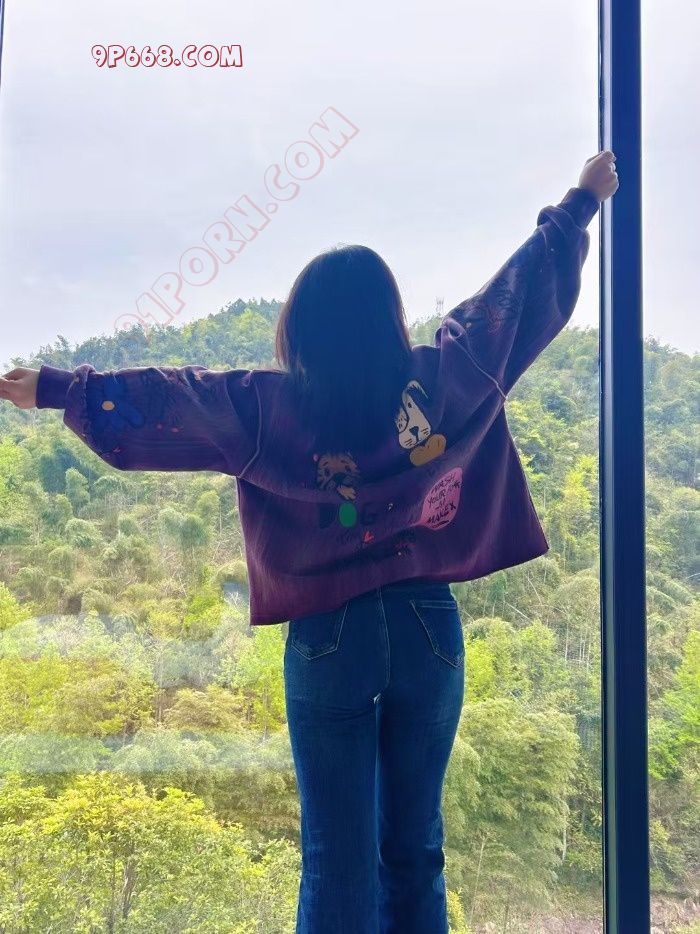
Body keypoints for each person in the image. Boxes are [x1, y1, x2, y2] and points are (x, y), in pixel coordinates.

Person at [0, 150, 618, 933]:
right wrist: (579, 204)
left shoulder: (267, 408)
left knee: (336, 857)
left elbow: (171, 398)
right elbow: (513, 304)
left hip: (330, 633)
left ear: (298, 328)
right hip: (428, 628)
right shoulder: (443, 378)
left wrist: (58, 389)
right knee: (416, 848)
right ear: (389, 319)